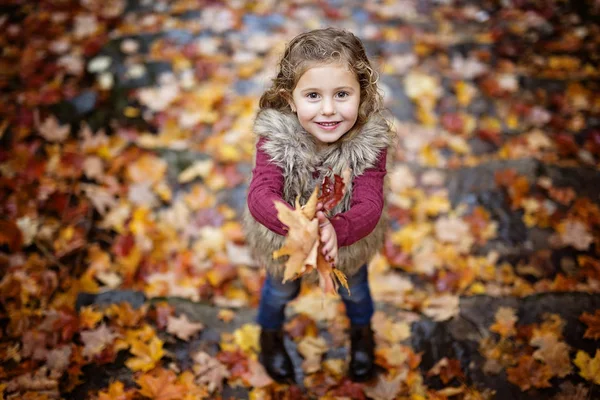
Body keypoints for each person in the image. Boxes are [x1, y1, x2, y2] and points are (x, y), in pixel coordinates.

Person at [243, 27, 394, 384]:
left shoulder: (370, 143)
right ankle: (270, 335)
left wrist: (338, 230)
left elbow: (370, 202)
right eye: (313, 95)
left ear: (362, 94)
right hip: (285, 243)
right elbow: (260, 192)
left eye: (342, 94)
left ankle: (361, 335)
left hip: (346, 245)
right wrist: (297, 225)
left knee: (355, 291)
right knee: (278, 291)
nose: (328, 110)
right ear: (291, 99)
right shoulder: (275, 137)